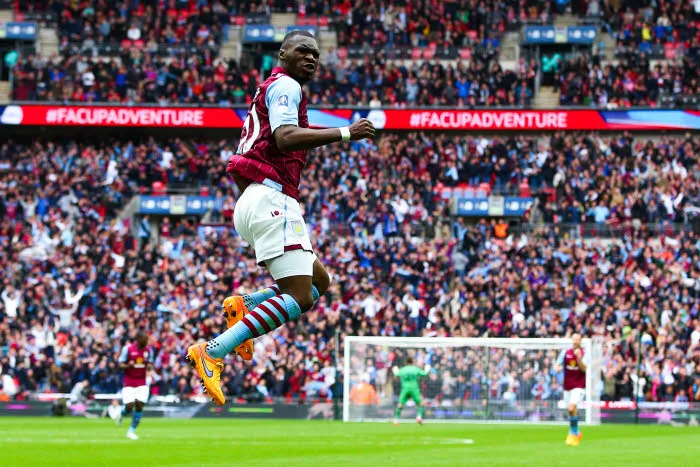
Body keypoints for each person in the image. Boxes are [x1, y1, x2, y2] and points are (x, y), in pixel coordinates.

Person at [185, 30, 375, 405]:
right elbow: (286, 136)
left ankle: (247, 305)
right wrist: (345, 132)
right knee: (300, 294)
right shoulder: (286, 85)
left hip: (255, 198)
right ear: (283, 53)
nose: (311, 58)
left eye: (316, 54)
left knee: (320, 281)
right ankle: (213, 350)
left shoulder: (274, 89)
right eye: (303, 50)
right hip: (272, 197)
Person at [118, 332, 153, 440]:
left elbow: (150, 364)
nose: (146, 342)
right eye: (145, 340)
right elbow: (120, 364)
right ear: (138, 339)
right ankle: (122, 413)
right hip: (129, 381)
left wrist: (150, 369)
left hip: (142, 382)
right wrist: (128, 365)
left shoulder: (148, 351)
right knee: (129, 406)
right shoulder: (127, 349)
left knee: (139, 405)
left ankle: (131, 431)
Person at [556, 333, 587, 446]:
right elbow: (556, 365)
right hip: (567, 386)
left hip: (579, 386)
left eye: (577, 340)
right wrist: (557, 368)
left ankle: (572, 434)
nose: (575, 342)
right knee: (570, 410)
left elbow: (584, 369)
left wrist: (579, 358)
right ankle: (577, 432)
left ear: (580, 341)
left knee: (571, 407)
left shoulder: (584, 353)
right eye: (574, 339)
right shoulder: (565, 352)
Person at [392, 357, 430, 425]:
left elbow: (396, 374)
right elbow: (424, 374)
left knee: (400, 404)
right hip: (414, 388)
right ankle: (419, 417)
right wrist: (427, 369)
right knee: (420, 403)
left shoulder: (403, 369)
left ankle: (396, 419)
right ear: (413, 362)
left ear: (406, 362)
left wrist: (395, 369)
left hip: (405, 389)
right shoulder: (415, 369)